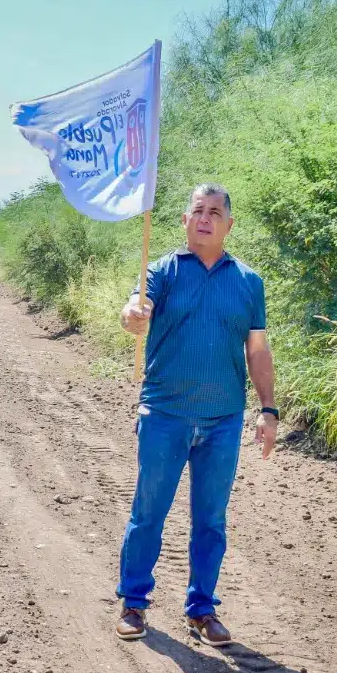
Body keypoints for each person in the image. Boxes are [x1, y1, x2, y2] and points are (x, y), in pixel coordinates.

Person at [114, 182, 277, 647]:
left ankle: (202, 609)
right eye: (196, 211)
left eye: (214, 212)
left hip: (223, 420)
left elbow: (258, 352)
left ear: (228, 224)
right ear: (185, 221)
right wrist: (134, 315)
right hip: (165, 414)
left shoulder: (248, 281)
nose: (204, 218)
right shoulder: (162, 269)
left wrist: (268, 409)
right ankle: (134, 602)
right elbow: (133, 311)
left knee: (211, 519)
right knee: (149, 513)